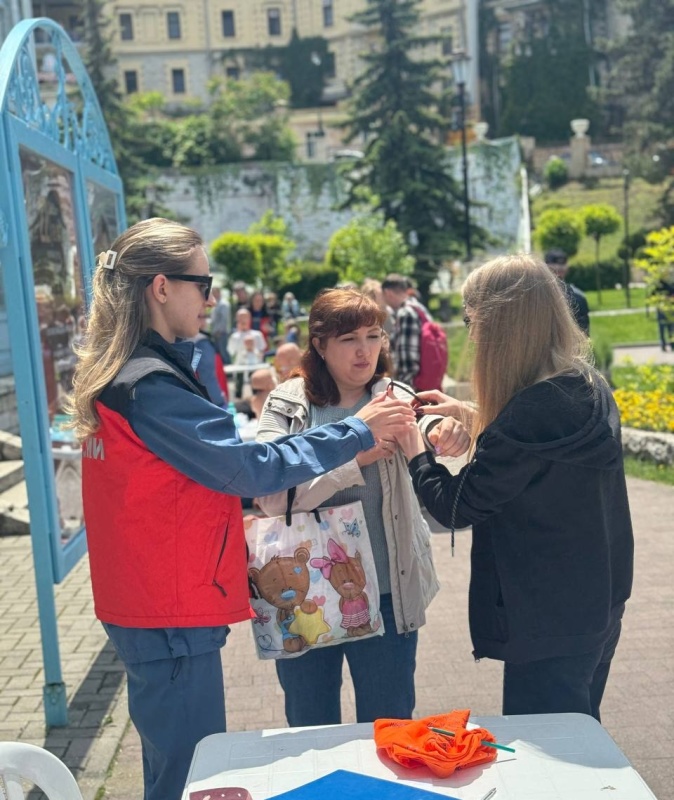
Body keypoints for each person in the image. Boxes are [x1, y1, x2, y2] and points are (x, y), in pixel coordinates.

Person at [67, 218, 415, 800]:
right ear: (161, 287)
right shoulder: (149, 385)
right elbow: (246, 469)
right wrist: (355, 433)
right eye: (204, 285)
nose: (212, 299)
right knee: (188, 773)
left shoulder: (130, 371)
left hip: (152, 601)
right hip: (167, 609)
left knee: (173, 765)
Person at [395, 254, 634, 722]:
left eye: (472, 319)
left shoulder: (527, 415)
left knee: (550, 765)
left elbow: (457, 506)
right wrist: (471, 412)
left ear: (500, 323)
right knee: (580, 733)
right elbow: (537, 452)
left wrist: (413, 448)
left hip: (545, 615)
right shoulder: (586, 385)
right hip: (599, 600)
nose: (471, 334)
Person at [255, 287, 446, 727]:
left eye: (373, 336)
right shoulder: (287, 404)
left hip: (387, 595)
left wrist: (445, 427)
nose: (365, 351)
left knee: (391, 729)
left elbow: (426, 421)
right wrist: (353, 461)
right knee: (310, 728)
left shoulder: (393, 394)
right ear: (319, 345)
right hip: (302, 598)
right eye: (348, 340)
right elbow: (269, 499)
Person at [382, 273, 434, 387]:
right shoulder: (419, 307)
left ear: (388, 293)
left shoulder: (406, 314)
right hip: (426, 379)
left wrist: (405, 387)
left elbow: (408, 358)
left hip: (414, 386)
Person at [544, 248, 590, 334]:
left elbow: (584, 331)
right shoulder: (578, 296)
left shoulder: (578, 297)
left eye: (562, 264)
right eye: (555, 263)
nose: (559, 267)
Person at [208, 285, 231, 361]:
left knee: (224, 353)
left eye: (215, 292)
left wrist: (219, 331)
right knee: (218, 354)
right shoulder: (216, 303)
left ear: (219, 292)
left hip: (221, 333)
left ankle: (228, 370)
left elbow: (224, 319)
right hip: (215, 333)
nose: (214, 294)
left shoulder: (223, 304)